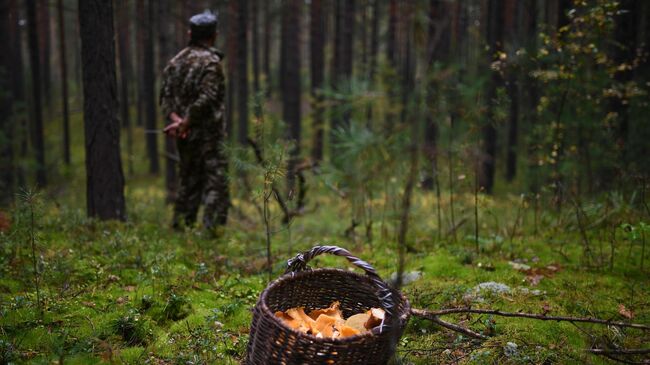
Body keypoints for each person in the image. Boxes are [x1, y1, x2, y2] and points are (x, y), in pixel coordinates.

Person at [160, 10, 229, 231]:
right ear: (214, 35)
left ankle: (181, 229)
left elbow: (165, 99)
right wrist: (186, 122)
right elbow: (207, 99)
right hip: (208, 137)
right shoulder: (211, 63)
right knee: (216, 184)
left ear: (191, 33)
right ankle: (212, 235)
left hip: (185, 135)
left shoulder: (175, 62)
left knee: (188, 182)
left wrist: (177, 120)